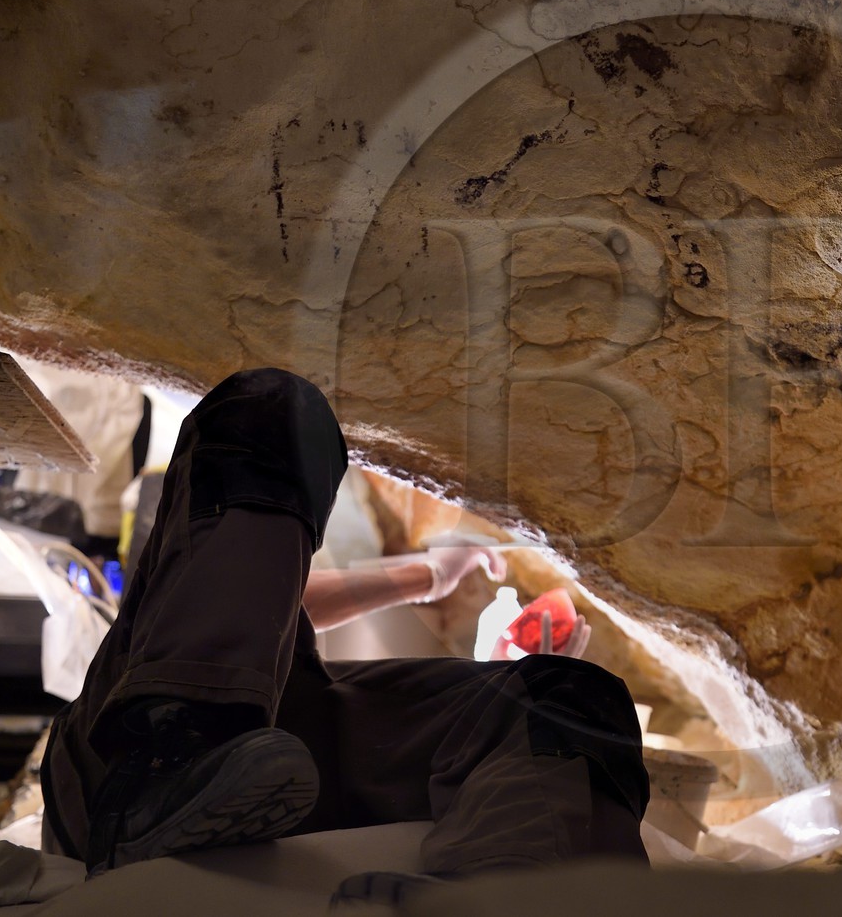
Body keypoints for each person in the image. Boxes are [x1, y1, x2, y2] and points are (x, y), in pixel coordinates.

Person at [39, 368, 649, 890]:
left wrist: (488, 659)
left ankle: (502, 896)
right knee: (273, 409)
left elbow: (274, 596)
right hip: (122, 759)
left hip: (281, 767)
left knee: (564, 695)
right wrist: (427, 575)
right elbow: (267, 593)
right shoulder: (192, 585)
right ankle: (170, 758)